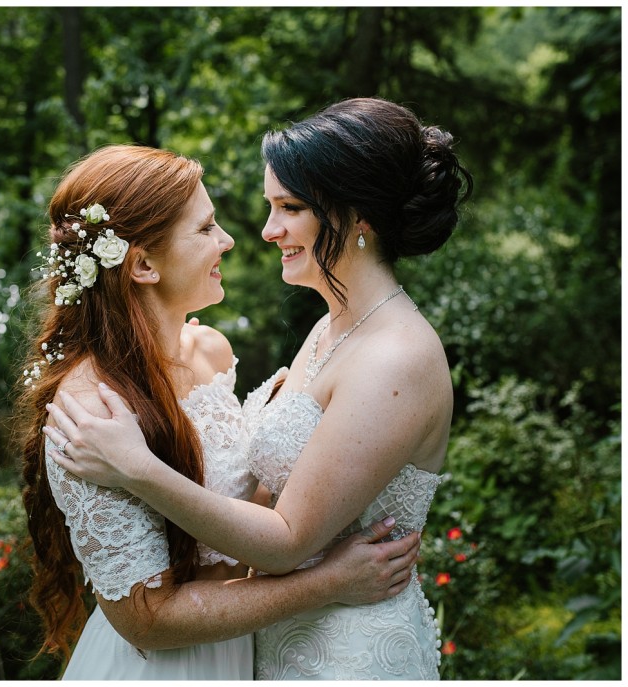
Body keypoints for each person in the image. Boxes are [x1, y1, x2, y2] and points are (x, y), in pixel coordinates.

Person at [46, 98, 473, 679]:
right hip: (264, 641)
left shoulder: (394, 357)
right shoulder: (332, 327)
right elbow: (264, 494)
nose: (265, 232)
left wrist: (138, 467)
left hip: (348, 649)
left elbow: (286, 537)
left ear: (358, 217)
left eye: (289, 208)